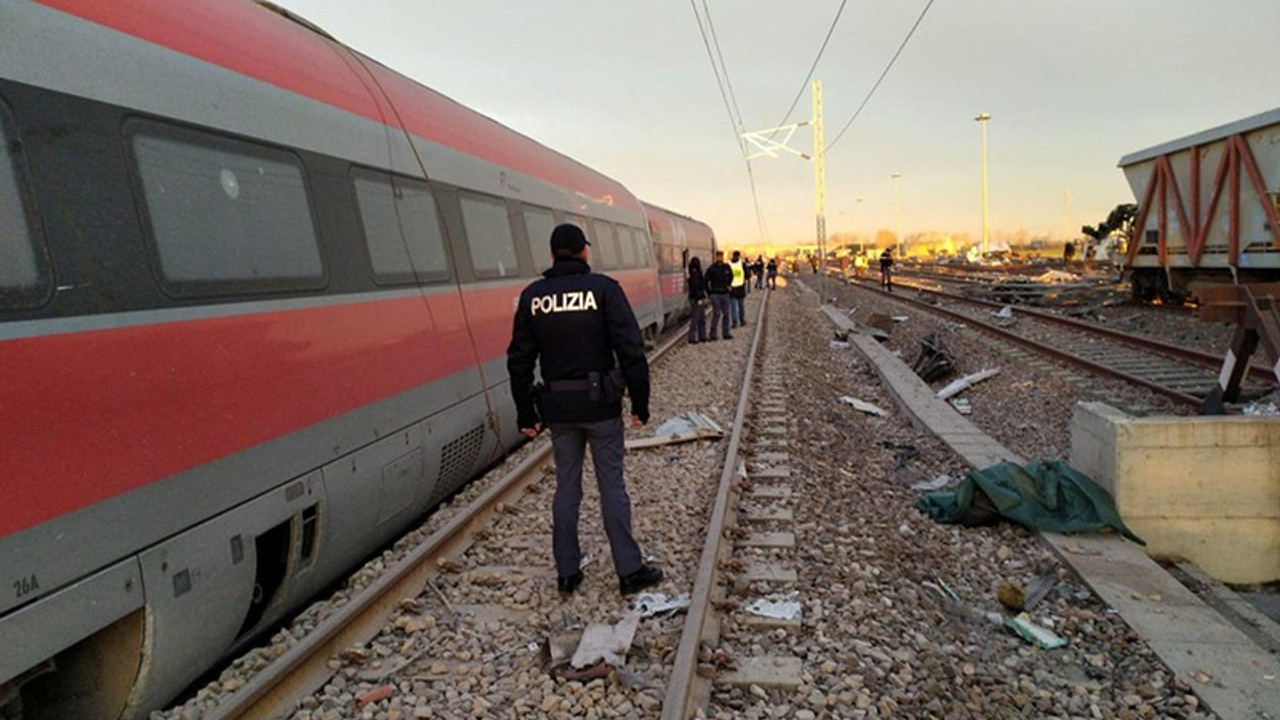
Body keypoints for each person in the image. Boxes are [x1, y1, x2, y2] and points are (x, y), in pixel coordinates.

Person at [506, 223, 663, 597]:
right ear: (583, 252)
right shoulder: (603, 290)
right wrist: (640, 404)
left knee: (566, 488)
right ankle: (628, 571)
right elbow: (631, 350)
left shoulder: (533, 296)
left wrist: (525, 413)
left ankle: (567, 572)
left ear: (552, 254)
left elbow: (519, 360)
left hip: (558, 410)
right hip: (601, 407)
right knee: (612, 485)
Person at [705, 250, 733, 340]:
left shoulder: (727, 267)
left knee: (726, 314)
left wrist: (728, 285)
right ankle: (713, 334)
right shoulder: (712, 268)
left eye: (721, 256)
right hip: (715, 293)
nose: (720, 258)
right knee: (716, 314)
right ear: (716, 257)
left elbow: (731, 276)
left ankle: (726, 333)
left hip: (725, 293)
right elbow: (705, 280)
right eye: (718, 256)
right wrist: (709, 292)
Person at [686, 256, 708, 344]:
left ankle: (701, 336)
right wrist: (700, 297)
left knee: (699, 317)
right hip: (697, 299)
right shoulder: (696, 273)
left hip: (695, 298)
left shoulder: (692, 273)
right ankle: (694, 337)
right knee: (698, 318)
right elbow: (696, 287)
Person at [728, 250, 747, 327]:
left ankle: (734, 322)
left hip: (732, 289)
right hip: (740, 288)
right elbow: (747, 274)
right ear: (739, 256)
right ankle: (742, 321)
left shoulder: (729, 264)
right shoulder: (742, 264)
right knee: (741, 306)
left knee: (733, 307)